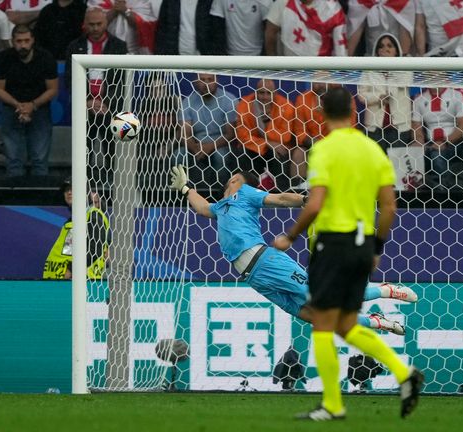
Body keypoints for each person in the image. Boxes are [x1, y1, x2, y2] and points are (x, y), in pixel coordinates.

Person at [273, 87, 423, 421]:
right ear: (354, 113)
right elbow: (388, 206)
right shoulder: (373, 150)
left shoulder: (323, 149)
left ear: (323, 115)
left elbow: (315, 202)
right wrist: (377, 247)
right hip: (361, 246)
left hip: (332, 245)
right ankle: (403, 374)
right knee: (346, 324)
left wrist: (290, 235)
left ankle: (333, 405)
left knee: (323, 325)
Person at [168, 165, 417, 336]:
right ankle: (376, 322)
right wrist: (186, 189)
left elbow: (280, 199)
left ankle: (386, 290)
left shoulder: (244, 193)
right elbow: (202, 207)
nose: (227, 182)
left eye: (231, 178)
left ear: (235, 179)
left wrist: (306, 200)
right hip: (253, 277)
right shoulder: (221, 207)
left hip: (265, 260)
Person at [64, 7, 128, 186]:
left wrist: (106, 103)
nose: (95, 28)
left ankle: (113, 184)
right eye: (91, 24)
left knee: (111, 148)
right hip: (84, 107)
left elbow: (121, 80)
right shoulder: (74, 46)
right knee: (83, 149)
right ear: (84, 24)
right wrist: (87, 101)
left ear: (106, 23)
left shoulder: (119, 46)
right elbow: (70, 78)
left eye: (99, 24)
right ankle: (82, 184)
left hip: (110, 107)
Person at [0, 24, 58, 177]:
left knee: (40, 160)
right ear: (12, 41)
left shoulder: (46, 57)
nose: (23, 45)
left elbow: (53, 89)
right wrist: (18, 105)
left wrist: (32, 105)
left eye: (26, 40)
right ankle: (15, 199)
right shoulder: (4, 58)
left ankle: (41, 198)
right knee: (13, 160)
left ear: (33, 40)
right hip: (11, 108)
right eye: (19, 41)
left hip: (40, 109)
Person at [234, 78, 303, 191]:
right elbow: (243, 136)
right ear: (256, 92)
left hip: (278, 148)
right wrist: (266, 143)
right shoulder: (244, 105)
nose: (265, 97)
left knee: (277, 154)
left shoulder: (285, 106)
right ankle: (247, 191)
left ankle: (280, 194)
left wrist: (269, 124)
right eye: (261, 92)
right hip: (253, 148)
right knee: (241, 153)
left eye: (268, 93)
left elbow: (285, 137)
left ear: (275, 93)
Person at [175, 73, 237, 189]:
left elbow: (230, 134)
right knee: (179, 154)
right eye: (202, 80)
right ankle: (181, 194)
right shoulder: (188, 102)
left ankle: (221, 193)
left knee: (220, 157)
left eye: (210, 79)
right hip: (196, 145)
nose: (206, 84)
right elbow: (184, 134)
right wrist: (196, 149)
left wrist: (210, 146)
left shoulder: (229, 100)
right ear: (195, 82)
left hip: (221, 145)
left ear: (216, 80)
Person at [43, 177, 110, 279]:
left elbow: (95, 249)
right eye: (66, 190)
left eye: (73, 189)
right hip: (60, 281)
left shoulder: (93, 215)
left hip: (79, 280)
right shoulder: (73, 219)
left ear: (85, 191)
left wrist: (71, 270)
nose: (69, 192)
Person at [357, 33, 413, 150]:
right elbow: (361, 95)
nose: (385, 49)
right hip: (374, 125)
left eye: (389, 46)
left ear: (396, 51)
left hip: (399, 125)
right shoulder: (368, 70)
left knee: (396, 165)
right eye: (381, 46)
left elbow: (405, 82)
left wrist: (389, 66)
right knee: (376, 164)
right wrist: (378, 97)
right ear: (377, 51)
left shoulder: (406, 67)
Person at [411, 85, 463, 190]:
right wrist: (419, 142)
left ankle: (443, 192)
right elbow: (416, 127)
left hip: (455, 143)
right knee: (411, 154)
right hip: (430, 143)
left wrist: (445, 142)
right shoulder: (418, 98)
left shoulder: (459, 94)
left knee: (437, 156)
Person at [264, 0, 347, 56]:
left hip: (320, 71)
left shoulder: (333, 10)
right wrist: (273, 67)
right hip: (288, 69)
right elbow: (270, 33)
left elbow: (341, 51)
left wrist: (331, 73)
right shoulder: (283, 2)